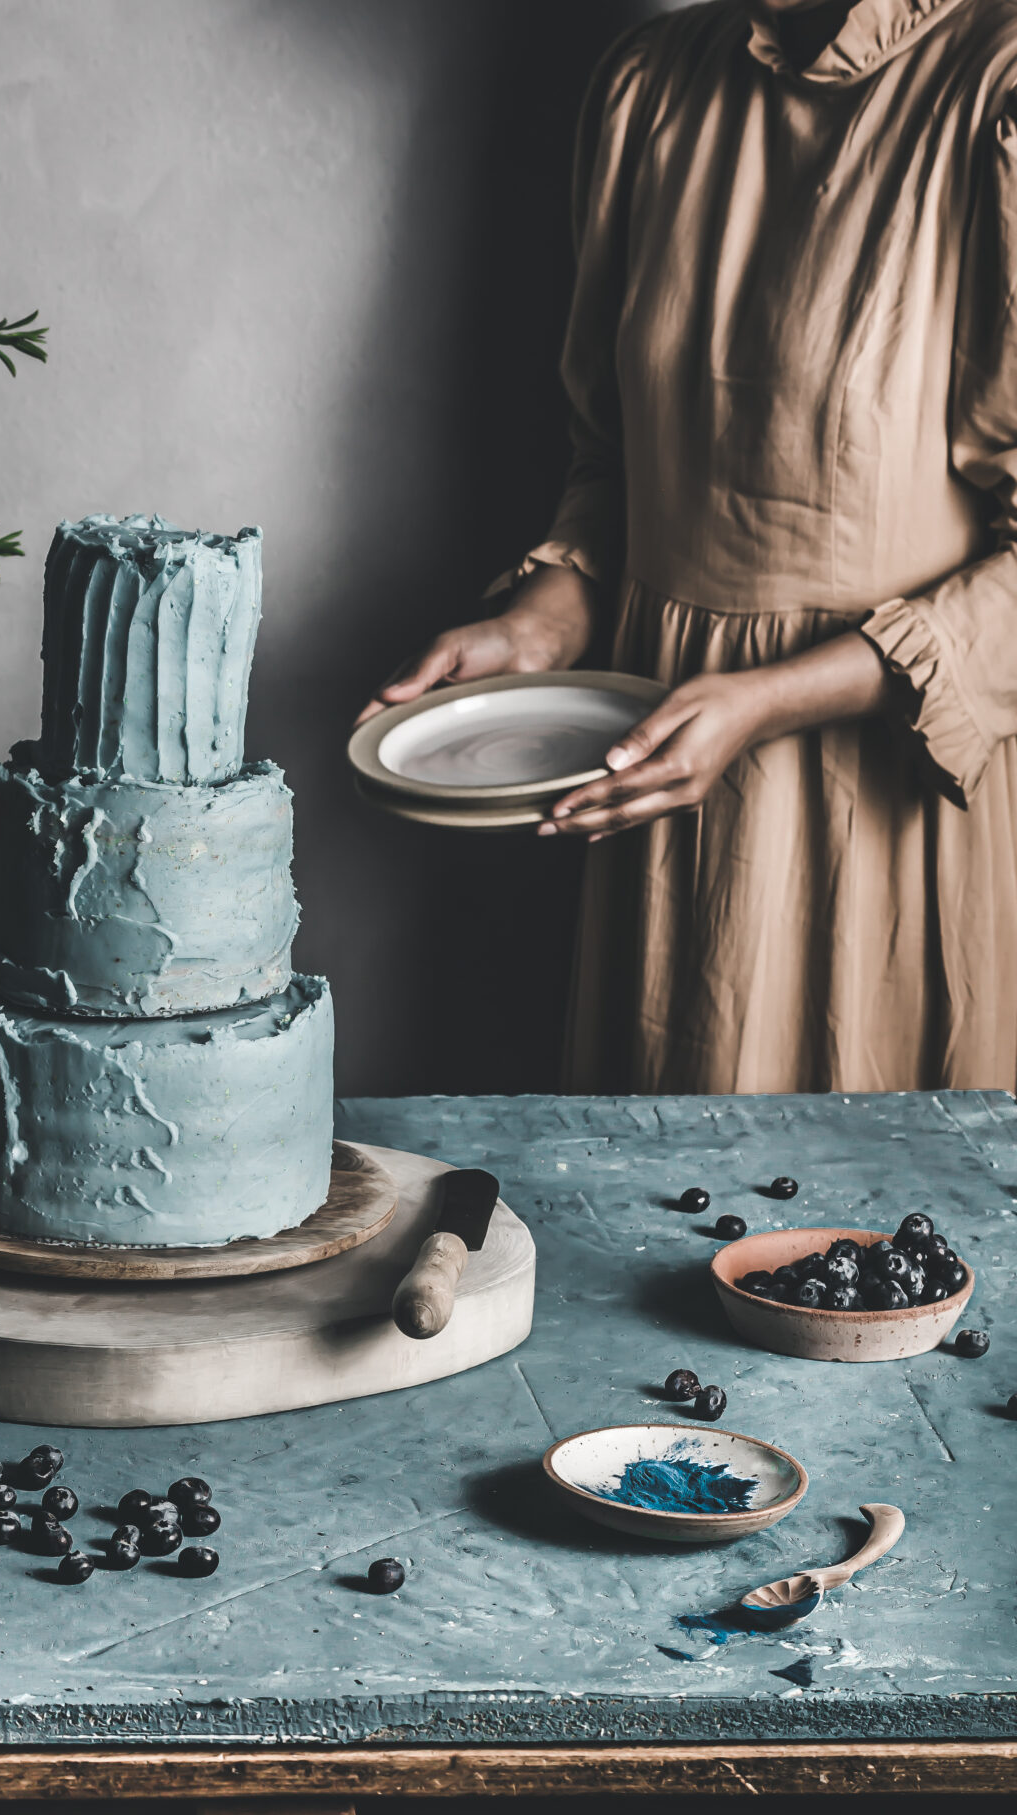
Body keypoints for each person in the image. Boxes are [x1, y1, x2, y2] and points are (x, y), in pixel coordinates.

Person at [361, 0, 1017, 1095]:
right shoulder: (646, 88)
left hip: (890, 812)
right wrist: (546, 617)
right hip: (661, 800)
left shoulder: (993, 90)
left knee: (867, 1238)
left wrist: (769, 700)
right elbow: (615, 463)